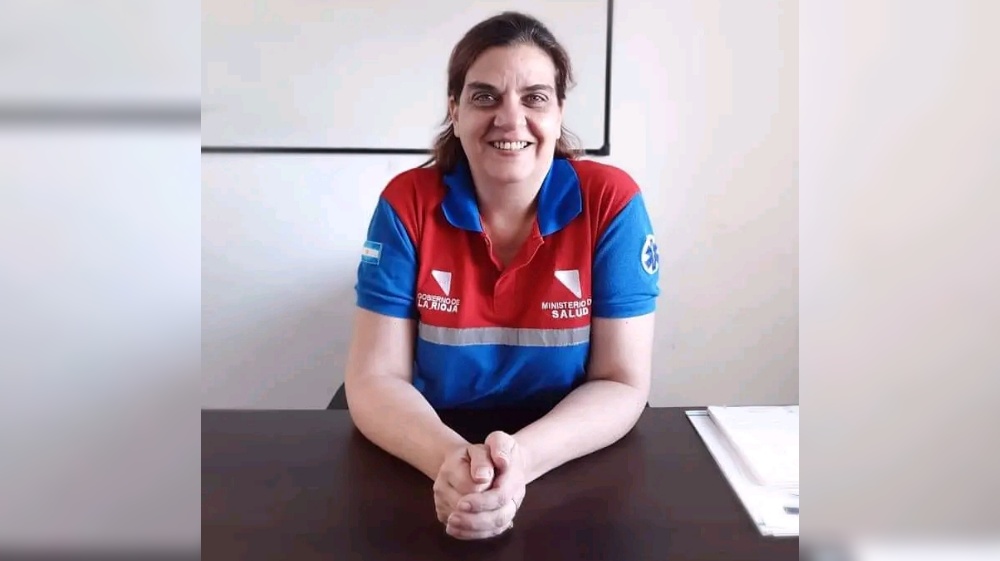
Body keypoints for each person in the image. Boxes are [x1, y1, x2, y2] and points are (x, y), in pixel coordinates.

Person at [344, 11, 659, 541]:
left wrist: (521, 462)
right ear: (455, 110)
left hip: (568, 441)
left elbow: (621, 380)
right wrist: (452, 463)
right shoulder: (406, 202)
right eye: (485, 96)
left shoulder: (612, 202)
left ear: (559, 111)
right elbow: (375, 377)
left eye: (535, 98)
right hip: (433, 433)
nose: (511, 120)